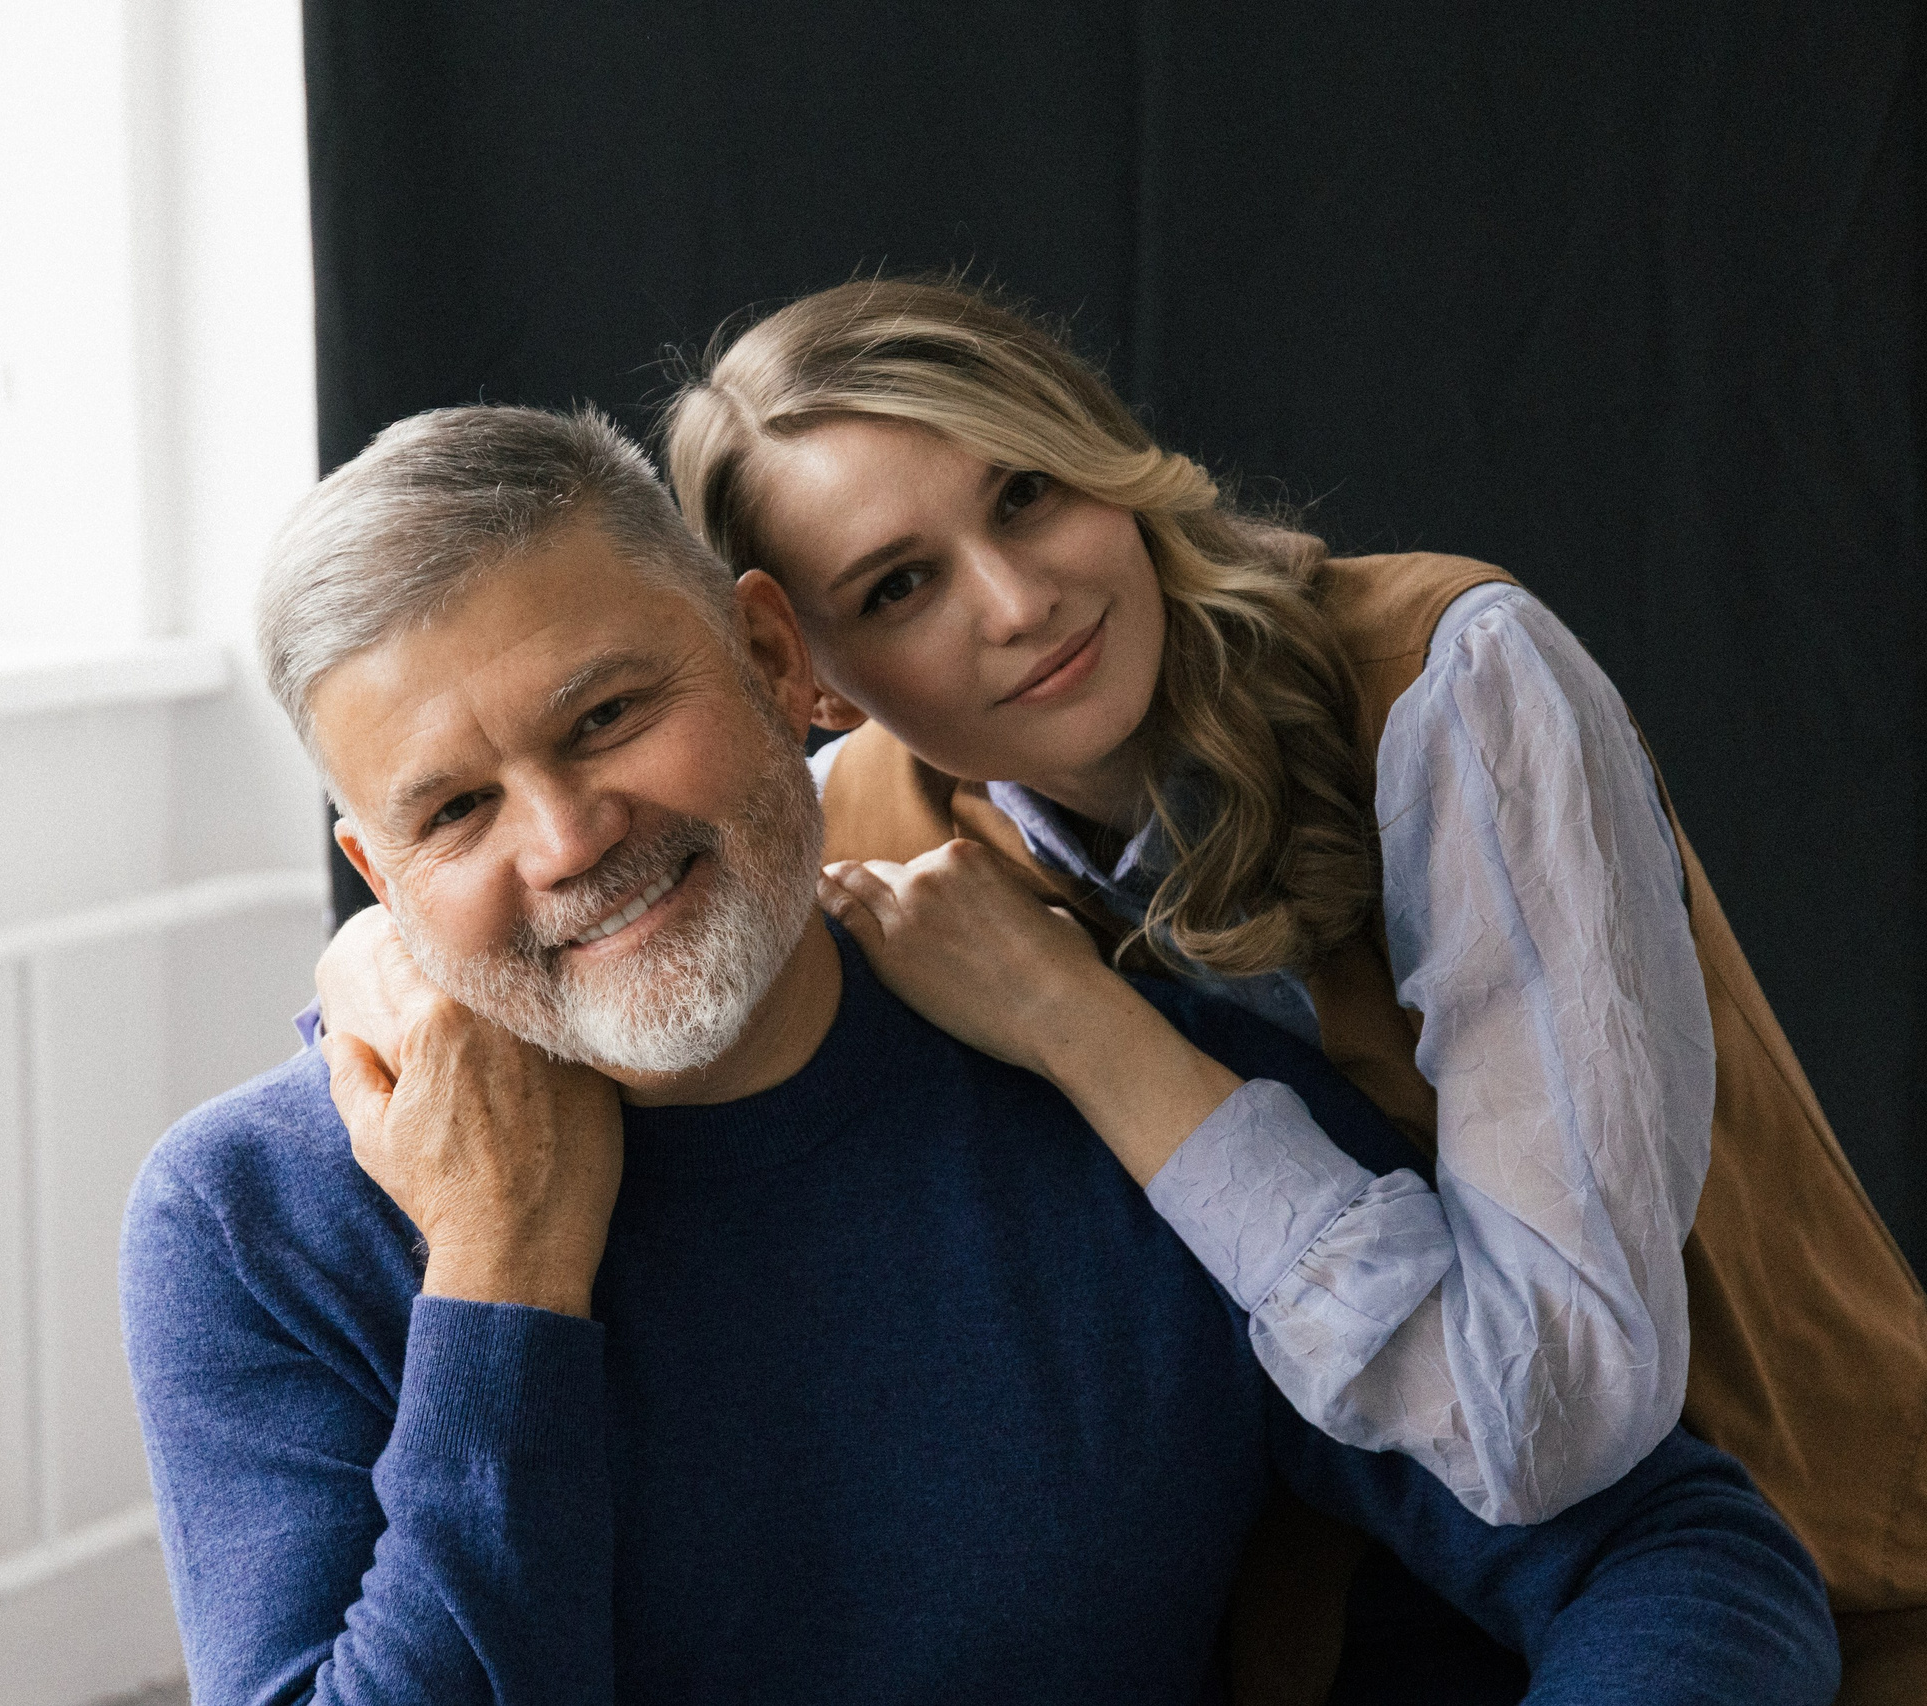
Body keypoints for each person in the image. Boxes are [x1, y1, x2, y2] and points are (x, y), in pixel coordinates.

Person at [120, 402, 1836, 1705]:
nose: (568, 839)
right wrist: (503, 1274)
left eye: (609, 715)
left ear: (773, 658)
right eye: (455, 809)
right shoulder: (249, 1221)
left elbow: (1666, 1541)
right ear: (380, 875)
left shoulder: (1114, 1089)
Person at [653, 279, 1927, 1696]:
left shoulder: (1451, 685)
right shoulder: (862, 836)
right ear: (801, 670)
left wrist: (1079, 1025)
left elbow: (1554, 1422)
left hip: (1779, 1595)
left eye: (1026, 492)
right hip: (1324, 1648)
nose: (1019, 602)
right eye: (899, 587)